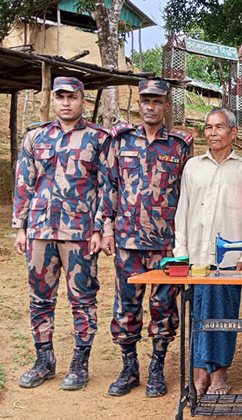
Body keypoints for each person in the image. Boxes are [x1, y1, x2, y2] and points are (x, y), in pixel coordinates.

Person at [11, 77, 109, 391]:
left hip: (79, 233)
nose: (66, 102)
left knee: (83, 300)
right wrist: (20, 227)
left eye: (72, 97)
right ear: (53, 100)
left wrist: (98, 228)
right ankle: (44, 361)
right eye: (60, 97)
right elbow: (23, 183)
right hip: (40, 229)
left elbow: (106, 187)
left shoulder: (97, 138)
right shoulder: (35, 136)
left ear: (83, 100)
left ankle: (80, 364)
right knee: (40, 299)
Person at [100, 80, 194, 398]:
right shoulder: (121, 140)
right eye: (145, 100)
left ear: (167, 105)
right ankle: (129, 368)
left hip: (166, 244)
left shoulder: (181, 145)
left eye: (157, 101)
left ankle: (156, 366)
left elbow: (186, 195)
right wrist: (107, 228)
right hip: (128, 242)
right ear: (138, 104)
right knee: (126, 307)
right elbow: (110, 186)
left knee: (164, 307)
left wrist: (185, 242)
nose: (150, 106)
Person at [172, 107, 242, 396]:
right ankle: (199, 373)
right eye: (208, 127)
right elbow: (182, 210)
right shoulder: (193, 167)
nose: (212, 133)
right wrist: (181, 252)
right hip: (196, 256)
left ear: (233, 132)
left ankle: (220, 373)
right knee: (198, 314)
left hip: (231, 259)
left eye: (219, 127)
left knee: (225, 316)